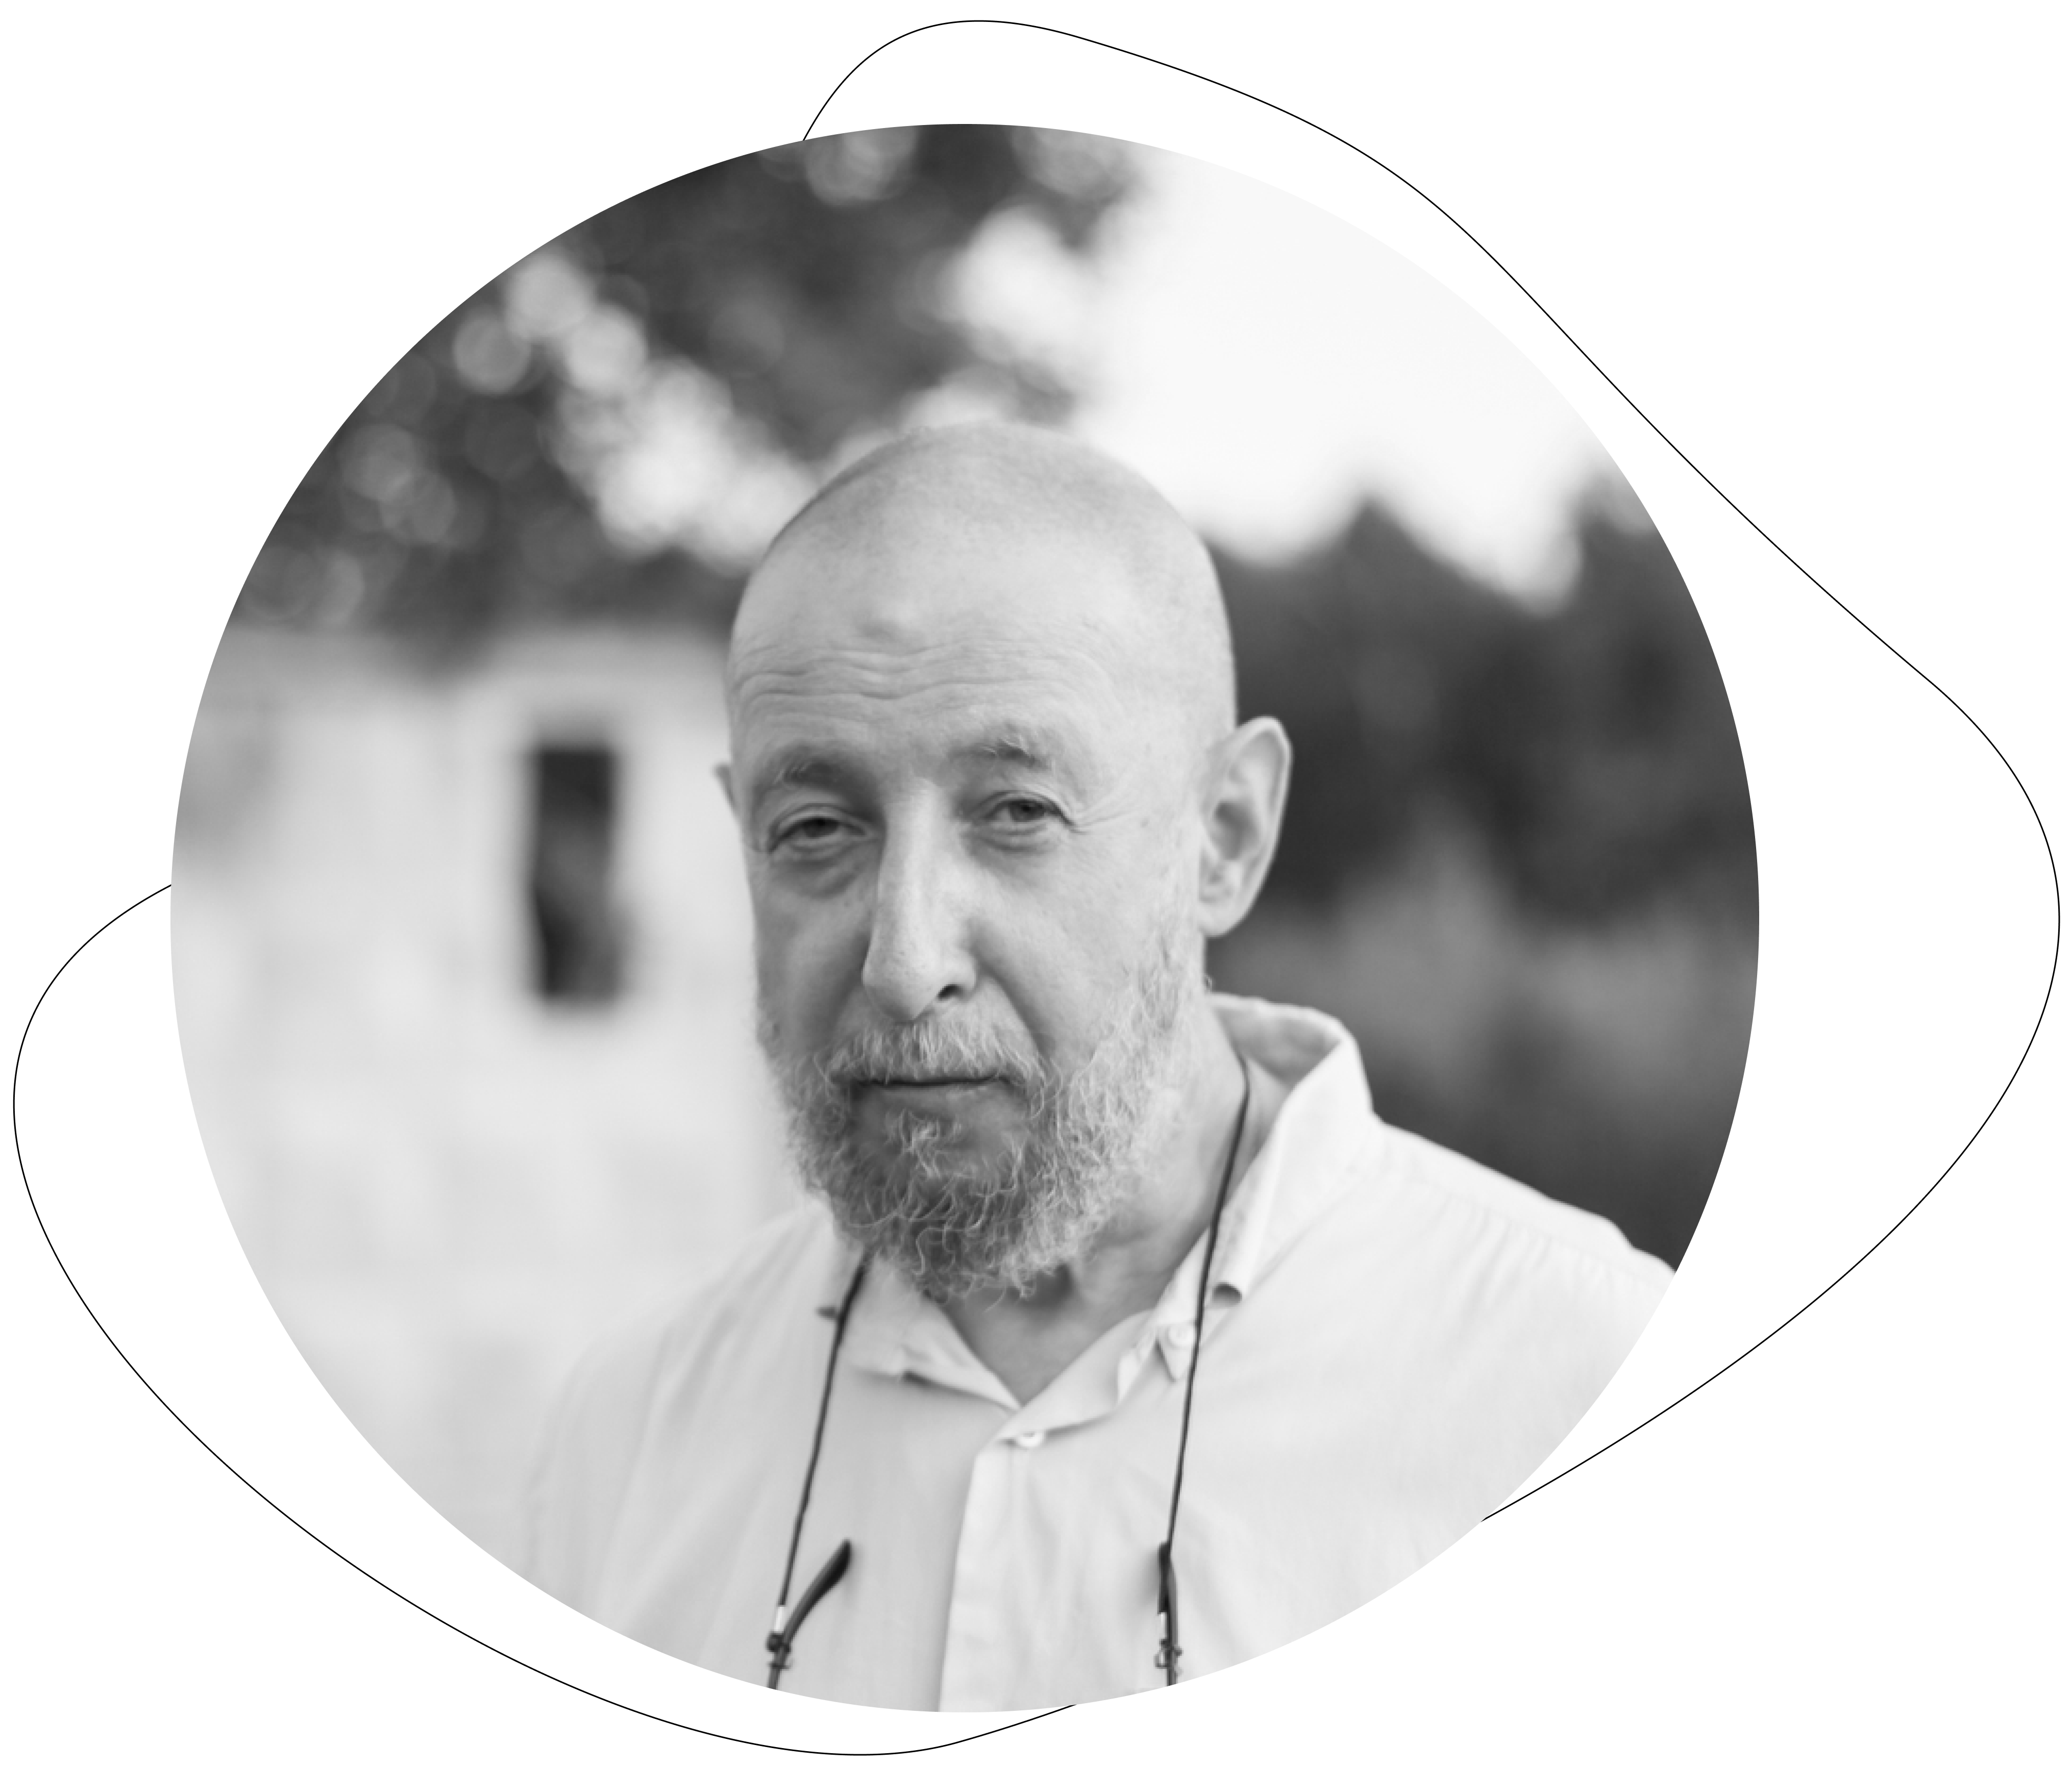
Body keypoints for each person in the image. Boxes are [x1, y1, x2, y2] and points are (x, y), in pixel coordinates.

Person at [525, 423, 1672, 1708]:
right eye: (815, 827)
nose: (903, 961)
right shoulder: (629, 1435)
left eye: (1017, 811)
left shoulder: (1562, 1377)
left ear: (1223, 835)